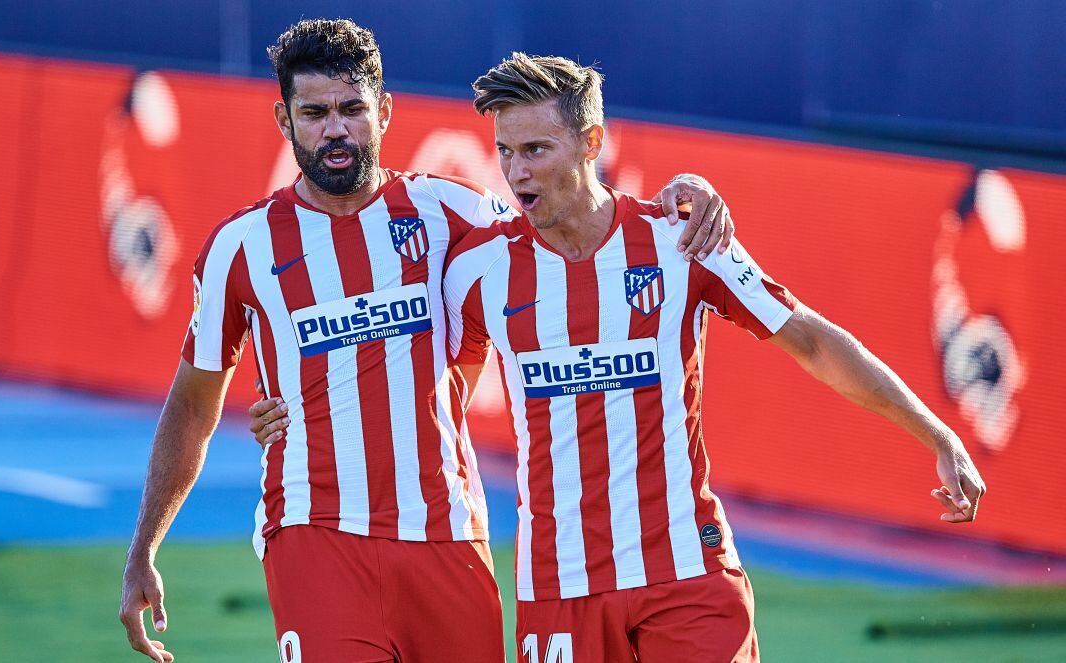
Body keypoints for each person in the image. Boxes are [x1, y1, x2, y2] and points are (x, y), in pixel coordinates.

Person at [256, 52, 986, 661]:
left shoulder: (680, 240)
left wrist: (937, 432)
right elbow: (398, 358)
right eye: (506, 152)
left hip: (688, 575)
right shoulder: (478, 267)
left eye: (536, 150)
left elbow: (813, 340)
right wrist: (291, 410)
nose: (516, 172)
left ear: (592, 142)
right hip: (559, 588)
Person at [119, 19, 734, 663]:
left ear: (384, 110)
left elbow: (573, 223)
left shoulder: (449, 213)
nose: (336, 128)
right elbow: (192, 402)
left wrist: (690, 195)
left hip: (446, 535)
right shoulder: (238, 248)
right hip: (315, 530)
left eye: (352, 109)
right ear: (284, 120)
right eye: (315, 113)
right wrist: (143, 552)